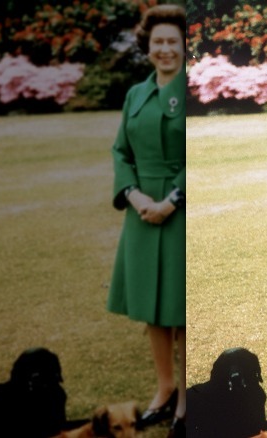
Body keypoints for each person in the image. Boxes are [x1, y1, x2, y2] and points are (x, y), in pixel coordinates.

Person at [107, 4, 186, 437]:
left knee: (180, 308)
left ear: (183, 45)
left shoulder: (188, 90)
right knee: (153, 309)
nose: (165, 49)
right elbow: (121, 152)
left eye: (173, 41)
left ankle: (186, 403)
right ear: (147, 45)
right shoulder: (136, 94)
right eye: (158, 41)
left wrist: (171, 200)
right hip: (141, 213)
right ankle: (165, 389)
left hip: (178, 213)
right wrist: (135, 195)